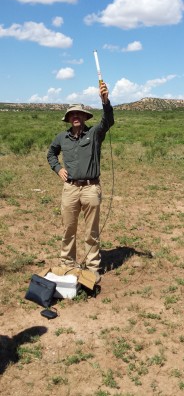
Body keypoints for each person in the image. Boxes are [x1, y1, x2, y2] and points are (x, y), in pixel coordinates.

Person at [47, 82, 114, 283]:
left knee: (91, 230)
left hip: (91, 188)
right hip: (70, 189)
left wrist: (105, 101)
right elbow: (51, 153)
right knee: (68, 227)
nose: (75, 117)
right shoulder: (62, 138)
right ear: (68, 119)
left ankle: (92, 267)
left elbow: (108, 120)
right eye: (72, 115)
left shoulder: (94, 134)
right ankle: (67, 263)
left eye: (79, 114)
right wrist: (58, 169)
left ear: (85, 117)